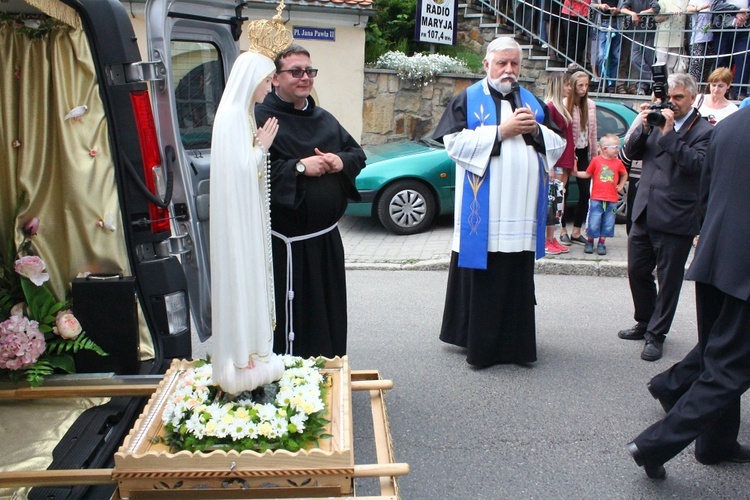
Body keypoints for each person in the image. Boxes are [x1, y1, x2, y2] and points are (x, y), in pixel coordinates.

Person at [627, 107, 750, 480]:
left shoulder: (728, 126)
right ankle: (654, 444)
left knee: (717, 348)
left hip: (715, 254)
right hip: (743, 266)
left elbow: (705, 193)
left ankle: (715, 442)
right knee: (731, 367)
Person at [434, 37, 565, 368]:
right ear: (487, 65)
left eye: (514, 64)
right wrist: (500, 131)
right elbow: (453, 145)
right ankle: (482, 348)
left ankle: (516, 347)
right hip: (484, 216)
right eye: (502, 63)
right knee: (485, 278)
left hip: (520, 213)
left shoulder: (533, 102)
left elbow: (558, 145)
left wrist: (535, 131)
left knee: (516, 278)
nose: (509, 70)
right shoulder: (468, 99)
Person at [254, 44, 366, 359]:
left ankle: (327, 369)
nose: (305, 78)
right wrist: (300, 167)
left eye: (309, 71)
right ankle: (289, 378)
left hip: (325, 240)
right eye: (296, 72)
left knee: (326, 311)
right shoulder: (261, 117)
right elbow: (252, 169)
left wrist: (337, 161)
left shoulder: (324, 118)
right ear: (275, 79)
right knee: (292, 315)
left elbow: (357, 154)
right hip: (285, 246)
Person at [617, 73, 713, 361]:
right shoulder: (655, 120)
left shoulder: (705, 131)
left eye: (679, 98)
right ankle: (645, 320)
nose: (672, 103)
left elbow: (696, 165)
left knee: (668, 280)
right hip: (644, 209)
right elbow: (630, 154)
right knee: (636, 270)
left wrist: (669, 134)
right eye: (669, 97)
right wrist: (645, 128)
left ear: (693, 97)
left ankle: (656, 335)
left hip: (677, 216)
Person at [209, 50, 285, 394]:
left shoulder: (240, 113)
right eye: (268, 80)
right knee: (241, 281)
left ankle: (252, 354)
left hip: (245, 219)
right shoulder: (231, 116)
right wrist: (262, 148)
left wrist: (256, 148)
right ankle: (242, 358)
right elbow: (239, 171)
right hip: (237, 224)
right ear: (252, 79)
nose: (270, 87)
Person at [571, 133, 628, 255]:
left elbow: (624, 174)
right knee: (594, 221)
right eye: (615, 147)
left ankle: (602, 243)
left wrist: (622, 185)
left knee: (608, 221)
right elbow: (587, 174)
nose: (617, 150)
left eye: (618, 147)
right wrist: (576, 173)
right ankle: (590, 241)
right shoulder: (596, 161)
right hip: (596, 198)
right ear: (604, 149)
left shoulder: (618, 163)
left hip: (612, 199)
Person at [561, 71, 597, 246]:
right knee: (564, 192)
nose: (583, 89)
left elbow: (593, 132)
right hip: (568, 152)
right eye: (580, 85)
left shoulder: (590, 105)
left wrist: (595, 157)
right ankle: (562, 230)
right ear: (573, 86)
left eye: (586, 85)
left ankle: (576, 231)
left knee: (585, 192)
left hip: (583, 152)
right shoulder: (565, 104)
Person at [545, 72, 575, 255]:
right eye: (566, 85)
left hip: (563, 161)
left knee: (558, 203)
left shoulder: (561, 107)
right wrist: (548, 165)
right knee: (552, 203)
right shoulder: (550, 108)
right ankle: (547, 239)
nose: (569, 88)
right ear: (558, 86)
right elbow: (547, 139)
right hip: (555, 162)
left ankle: (552, 237)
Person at [620, 0, 661, 94]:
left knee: (649, 60)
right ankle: (653, 80)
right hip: (636, 33)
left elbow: (656, 8)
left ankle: (643, 87)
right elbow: (622, 8)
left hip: (649, 33)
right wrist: (633, 13)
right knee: (635, 58)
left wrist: (644, 12)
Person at [591, 0, 622, 92]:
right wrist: (600, 6)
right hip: (602, 23)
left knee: (615, 56)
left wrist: (618, 10)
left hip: (617, 24)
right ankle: (602, 82)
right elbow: (592, 4)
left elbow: (625, 7)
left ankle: (611, 84)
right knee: (601, 55)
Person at [686, 0, 715, 89]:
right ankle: (691, 89)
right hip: (697, 38)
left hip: (711, 38)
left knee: (707, 65)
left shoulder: (714, 1)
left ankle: (701, 89)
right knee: (696, 63)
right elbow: (688, 9)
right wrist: (699, 8)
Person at [561, 0, 592, 70]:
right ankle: (570, 61)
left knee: (582, 38)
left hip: (584, 13)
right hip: (570, 11)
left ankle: (578, 61)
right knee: (571, 37)